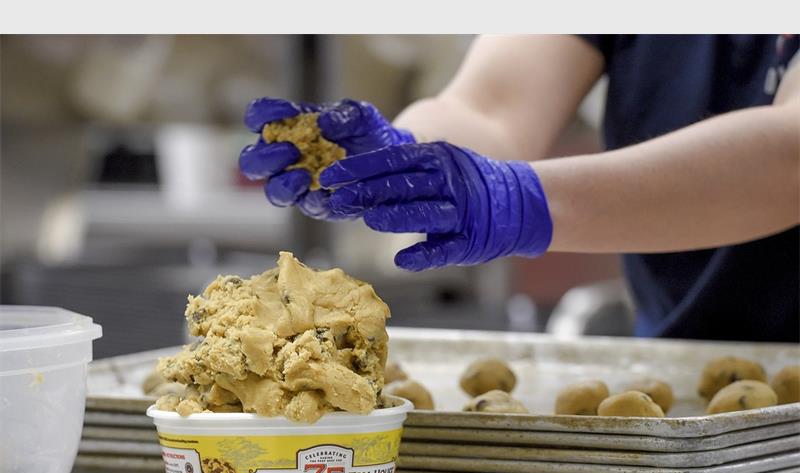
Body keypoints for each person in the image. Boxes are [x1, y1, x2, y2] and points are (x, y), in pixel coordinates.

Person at [239, 34, 800, 343]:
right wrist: (402, 154)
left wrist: (519, 200)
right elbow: (493, 106)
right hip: (689, 383)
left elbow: (789, 155)